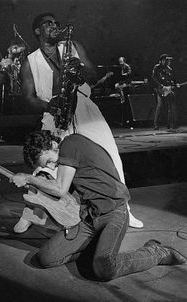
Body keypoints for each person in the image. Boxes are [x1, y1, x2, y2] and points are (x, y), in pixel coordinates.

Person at [14, 12, 143, 233]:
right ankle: (33, 212)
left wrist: (79, 68)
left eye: (56, 23)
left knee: (110, 154)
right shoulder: (30, 62)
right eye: (48, 24)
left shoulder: (73, 46)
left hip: (84, 106)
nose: (54, 26)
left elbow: (93, 74)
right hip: (55, 112)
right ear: (37, 31)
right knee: (44, 162)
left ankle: (124, 209)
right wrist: (48, 106)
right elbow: (28, 98)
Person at [12, 130, 186, 281]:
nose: (52, 165)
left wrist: (28, 178)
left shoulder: (71, 144)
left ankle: (156, 252)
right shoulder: (68, 155)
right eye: (47, 166)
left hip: (114, 214)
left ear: (49, 144)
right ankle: (96, 247)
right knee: (45, 258)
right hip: (89, 218)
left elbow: (60, 189)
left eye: (48, 161)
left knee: (104, 269)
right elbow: (64, 194)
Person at [152, 54, 179, 130]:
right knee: (160, 105)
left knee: (171, 105)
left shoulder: (169, 69)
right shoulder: (157, 67)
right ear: (161, 61)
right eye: (165, 60)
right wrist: (161, 86)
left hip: (168, 89)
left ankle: (171, 124)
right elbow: (154, 78)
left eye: (168, 60)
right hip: (160, 89)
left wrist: (175, 84)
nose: (167, 61)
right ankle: (155, 124)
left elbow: (172, 79)